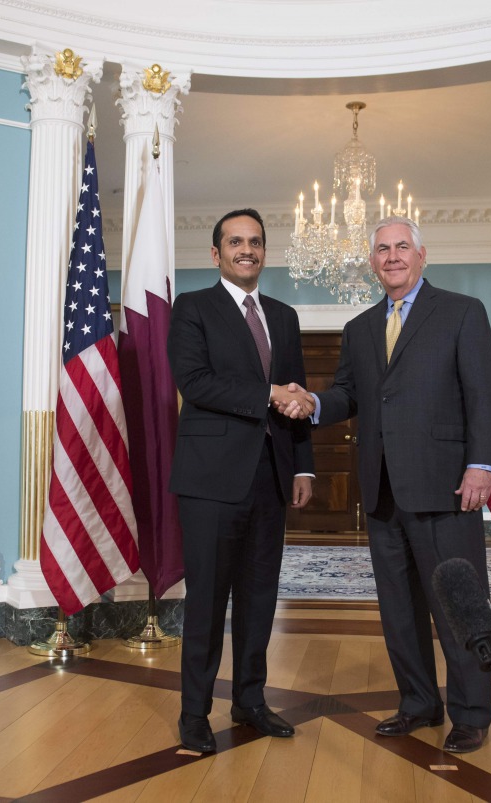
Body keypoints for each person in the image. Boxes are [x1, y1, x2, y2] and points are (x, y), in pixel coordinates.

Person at [279, 215, 491, 753]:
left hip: (447, 487)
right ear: (372, 261)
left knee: (456, 606)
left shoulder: (462, 313)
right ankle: (419, 703)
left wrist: (481, 465)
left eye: (402, 246)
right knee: (399, 609)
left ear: (422, 256)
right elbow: (348, 394)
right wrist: (311, 403)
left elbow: (481, 395)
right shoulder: (358, 329)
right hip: (381, 491)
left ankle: (471, 712)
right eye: (382, 249)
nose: (393, 256)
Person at [167, 208, 315, 753]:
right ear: (216, 254)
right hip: (210, 482)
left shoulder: (284, 314)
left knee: (260, 598)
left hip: (271, 479)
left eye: (254, 241)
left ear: (264, 252)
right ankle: (194, 714)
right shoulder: (193, 308)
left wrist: (303, 464)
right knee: (207, 601)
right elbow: (196, 381)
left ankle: (251, 701)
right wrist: (268, 394)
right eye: (235, 241)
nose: (246, 249)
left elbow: (297, 393)